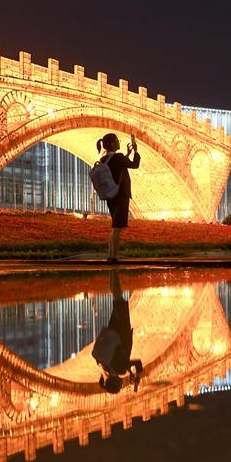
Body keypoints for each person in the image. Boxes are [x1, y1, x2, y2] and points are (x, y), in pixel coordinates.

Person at [92, 271, 143, 394]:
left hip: (122, 331)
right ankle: (111, 270)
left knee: (118, 299)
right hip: (113, 331)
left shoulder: (120, 370)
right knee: (117, 301)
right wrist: (131, 372)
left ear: (115, 383)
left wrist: (136, 375)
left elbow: (138, 363)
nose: (122, 384)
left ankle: (113, 270)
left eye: (119, 385)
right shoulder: (105, 368)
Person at [96, 132, 140, 263]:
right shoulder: (119, 158)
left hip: (111, 196)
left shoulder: (105, 159)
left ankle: (111, 255)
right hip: (121, 196)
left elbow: (118, 167)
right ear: (112, 144)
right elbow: (134, 165)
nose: (119, 142)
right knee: (117, 228)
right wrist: (135, 151)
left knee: (115, 227)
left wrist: (126, 154)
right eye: (117, 140)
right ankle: (113, 257)